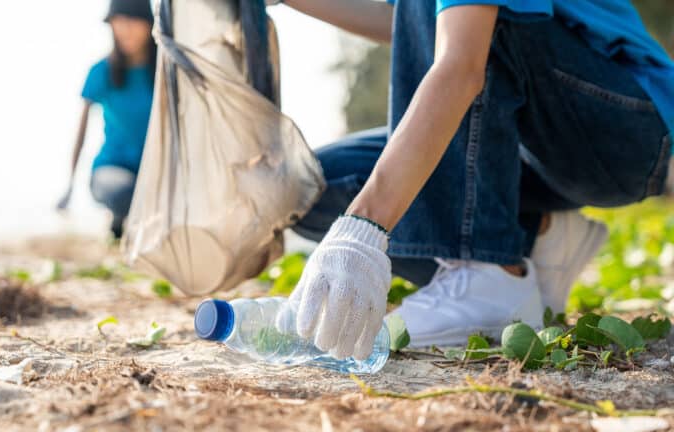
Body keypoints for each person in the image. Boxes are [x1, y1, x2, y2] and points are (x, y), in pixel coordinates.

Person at [269, 0, 674, 360]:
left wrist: (363, 226)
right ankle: (541, 238)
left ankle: (487, 271)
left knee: (475, 24)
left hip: (623, 130)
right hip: (530, 143)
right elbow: (407, 24)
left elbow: (462, 65)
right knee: (312, 186)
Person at [57, 0, 156, 239]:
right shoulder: (101, 71)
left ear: (149, 24)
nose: (126, 29)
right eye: (119, 22)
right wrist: (70, 186)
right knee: (124, 192)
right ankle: (120, 221)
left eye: (133, 21)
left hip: (157, 168)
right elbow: (82, 130)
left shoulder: (166, 70)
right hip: (113, 168)